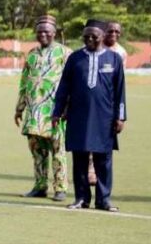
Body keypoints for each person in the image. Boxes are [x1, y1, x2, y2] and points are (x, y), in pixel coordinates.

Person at [52, 19, 127, 212]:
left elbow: (120, 91)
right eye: (86, 36)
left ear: (103, 36)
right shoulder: (75, 58)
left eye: (94, 36)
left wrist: (120, 117)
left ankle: (104, 200)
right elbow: (63, 88)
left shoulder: (114, 59)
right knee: (80, 158)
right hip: (78, 115)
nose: (90, 39)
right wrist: (57, 112)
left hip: (105, 117)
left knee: (104, 160)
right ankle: (81, 198)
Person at [14, 15, 71, 201]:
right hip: (33, 112)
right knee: (37, 152)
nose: (43, 34)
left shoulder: (65, 53)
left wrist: (68, 107)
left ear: (54, 33)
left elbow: (72, 83)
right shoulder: (31, 54)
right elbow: (24, 82)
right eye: (39, 32)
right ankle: (40, 186)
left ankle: (61, 188)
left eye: (47, 31)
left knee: (58, 150)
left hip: (55, 112)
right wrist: (19, 108)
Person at [86, 21, 128, 185]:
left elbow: (119, 82)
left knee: (105, 141)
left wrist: (120, 113)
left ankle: (100, 173)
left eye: (117, 32)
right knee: (89, 137)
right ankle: (90, 171)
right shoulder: (94, 46)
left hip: (108, 103)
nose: (113, 35)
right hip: (91, 101)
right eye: (110, 31)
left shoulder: (120, 53)